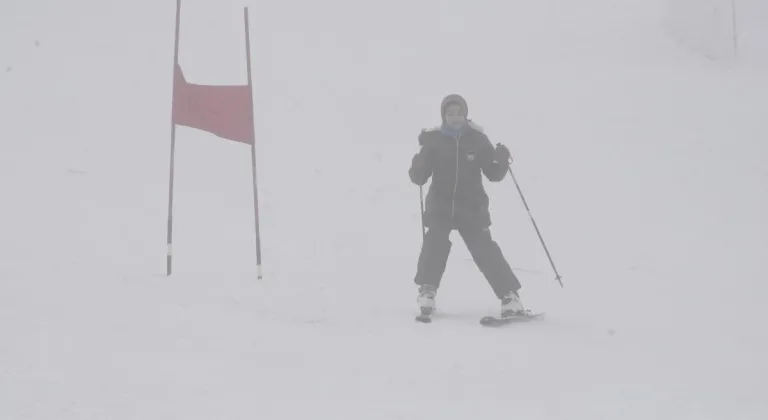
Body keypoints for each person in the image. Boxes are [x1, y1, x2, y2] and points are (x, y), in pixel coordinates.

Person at [409, 94, 525, 318]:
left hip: (471, 207)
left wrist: (500, 160)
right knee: (434, 245)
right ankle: (427, 291)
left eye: (459, 113)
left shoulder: (477, 139)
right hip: (441, 207)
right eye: (450, 113)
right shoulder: (434, 140)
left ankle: (509, 296)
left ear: (465, 114)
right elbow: (419, 178)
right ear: (443, 115)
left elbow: (493, 174)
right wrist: (418, 164)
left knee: (485, 249)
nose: (455, 117)